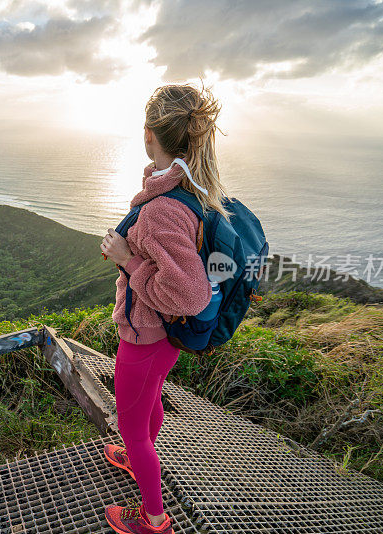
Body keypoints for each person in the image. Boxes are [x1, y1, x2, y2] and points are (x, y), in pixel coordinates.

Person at [99, 82, 229, 534]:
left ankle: (154, 519)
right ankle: (140, 460)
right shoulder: (192, 188)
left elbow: (190, 294)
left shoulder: (160, 210)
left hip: (145, 337)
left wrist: (126, 259)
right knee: (149, 400)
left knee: (132, 428)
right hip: (164, 340)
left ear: (149, 135)